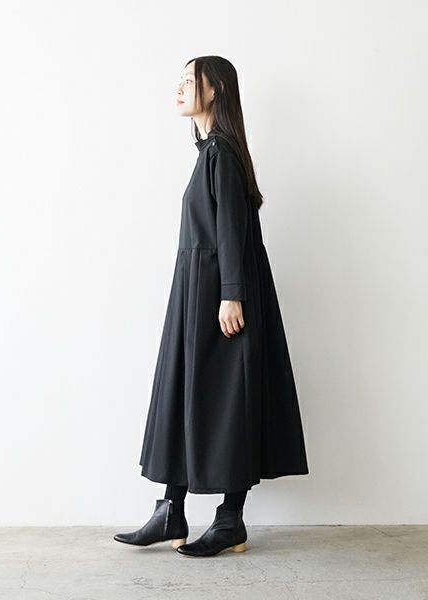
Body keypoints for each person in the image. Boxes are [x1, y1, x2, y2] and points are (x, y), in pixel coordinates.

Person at [114, 55, 309, 557]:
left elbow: (231, 230)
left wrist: (231, 294)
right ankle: (170, 511)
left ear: (215, 89)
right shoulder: (210, 153)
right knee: (185, 393)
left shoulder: (222, 152)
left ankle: (229, 521)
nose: (179, 88)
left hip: (220, 293)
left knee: (228, 400)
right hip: (197, 291)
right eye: (179, 80)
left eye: (189, 80)